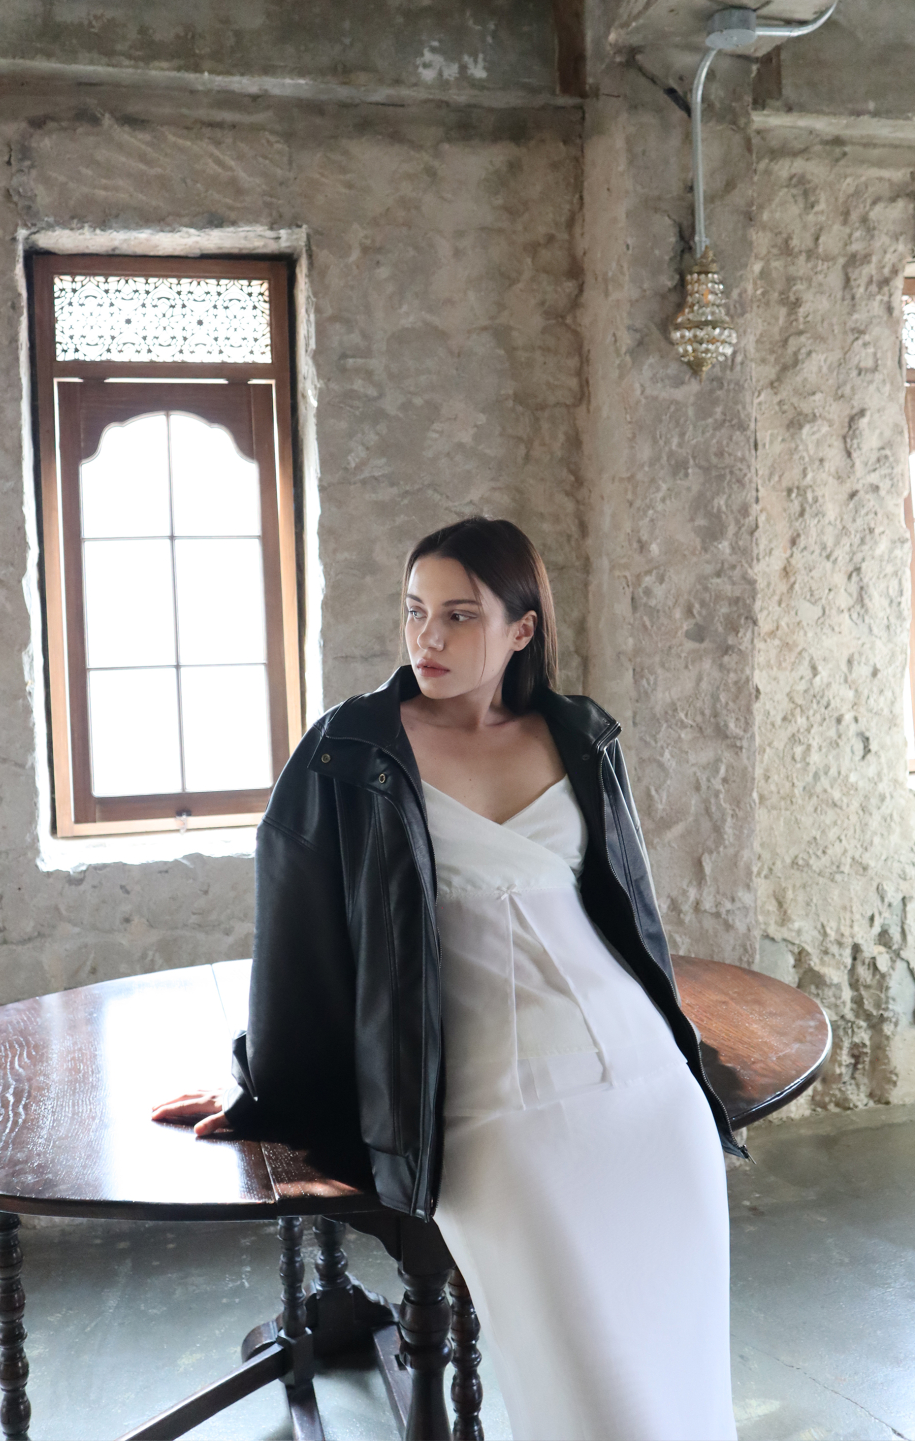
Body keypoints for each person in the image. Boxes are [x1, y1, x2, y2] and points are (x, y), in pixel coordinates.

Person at [154, 516, 742, 1441]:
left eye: (460, 615)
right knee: (598, 1404)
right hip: (497, 1113)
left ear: (522, 629)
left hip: (648, 1090)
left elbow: (629, 915)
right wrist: (260, 1081)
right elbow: (302, 943)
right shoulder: (348, 752)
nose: (427, 637)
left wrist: (690, 1049)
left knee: (688, 1389)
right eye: (415, 610)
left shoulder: (579, 735)